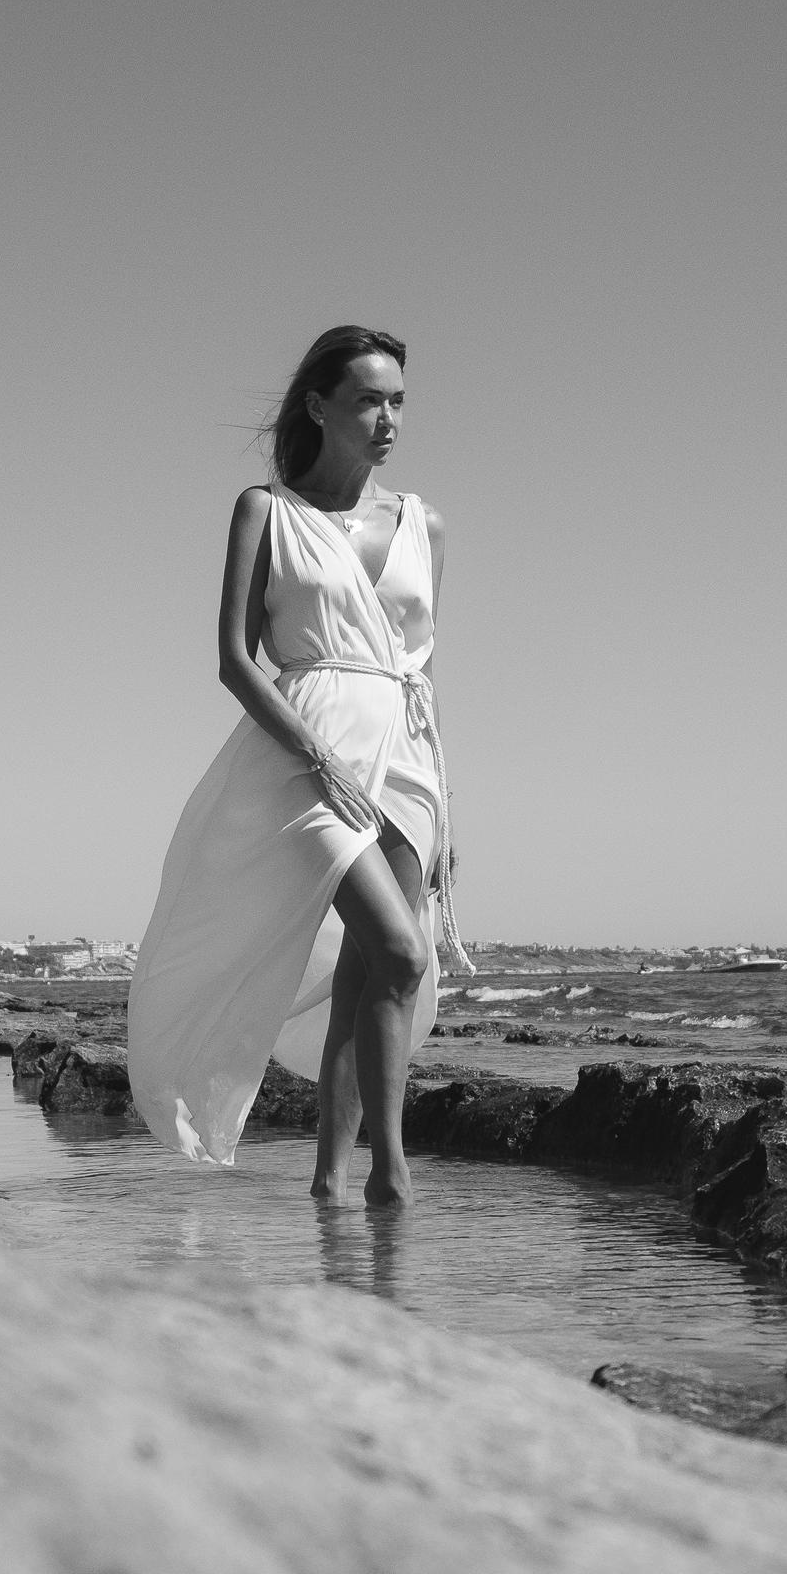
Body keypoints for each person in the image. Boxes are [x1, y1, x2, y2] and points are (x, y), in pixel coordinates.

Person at [126, 324, 469, 1203]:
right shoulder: (266, 511)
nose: (387, 418)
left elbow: (424, 669)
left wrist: (451, 810)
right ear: (319, 406)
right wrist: (317, 759)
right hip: (305, 750)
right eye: (367, 399)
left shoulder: (423, 522)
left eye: (397, 400)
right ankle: (390, 1177)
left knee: (376, 966)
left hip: (408, 756)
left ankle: (333, 1182)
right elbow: (236, 660)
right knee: (399, 953)